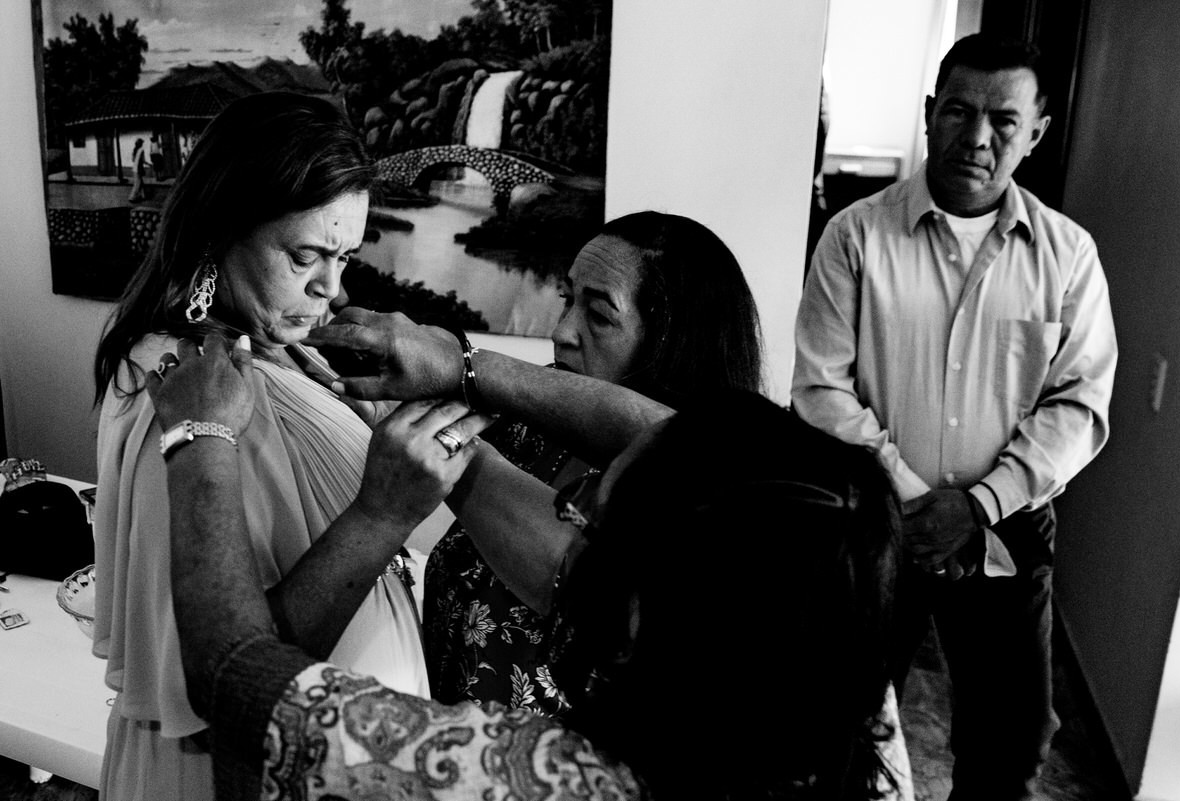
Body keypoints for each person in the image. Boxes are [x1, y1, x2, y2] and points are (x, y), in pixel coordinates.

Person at [145, 332, 904, 800]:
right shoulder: (848, 702)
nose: (567, 532)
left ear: (637, 613)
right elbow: (707, 467)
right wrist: (459, 365)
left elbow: (233, 671)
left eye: (590, 526)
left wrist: (201, 433)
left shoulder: (514, 778)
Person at [791, 33, 1118, 801]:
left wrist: (977, 504)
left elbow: (1080, 400)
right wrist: (915, 497)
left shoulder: (1069, 257)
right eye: (961, 112)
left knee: (1012, 744)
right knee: (836, 717)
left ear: (1034, 133)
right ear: (932, 113)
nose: (978, 137)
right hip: (872, 515)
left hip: (1010, 527)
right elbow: (820, 391)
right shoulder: (855, 235)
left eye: (1004, 120)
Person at [91, 92, 428, 801]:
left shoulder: (286, 351)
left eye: (345, 256)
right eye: (306, 254)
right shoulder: (185, 393)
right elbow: (223, 685)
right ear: (220, 231)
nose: (331, 288)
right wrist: (382, 514)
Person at [421, 211, 764, 715]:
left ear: (673, 343)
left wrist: (441, 442)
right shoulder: (528, 428)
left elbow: (567, 575)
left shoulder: (703, 499)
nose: (561, 332)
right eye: (567, 299)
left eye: (599, 316)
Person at [128, 137, 147, 203]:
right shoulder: (142, 150)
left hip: (134, 168)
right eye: (142, 143)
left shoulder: (134, 150)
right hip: (139, 168)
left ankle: (143, 196)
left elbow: (133, 160)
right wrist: (149, 164)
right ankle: (132, 197)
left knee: (140, 182)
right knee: (137, 184)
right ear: (141, 144)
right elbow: (143, 160)